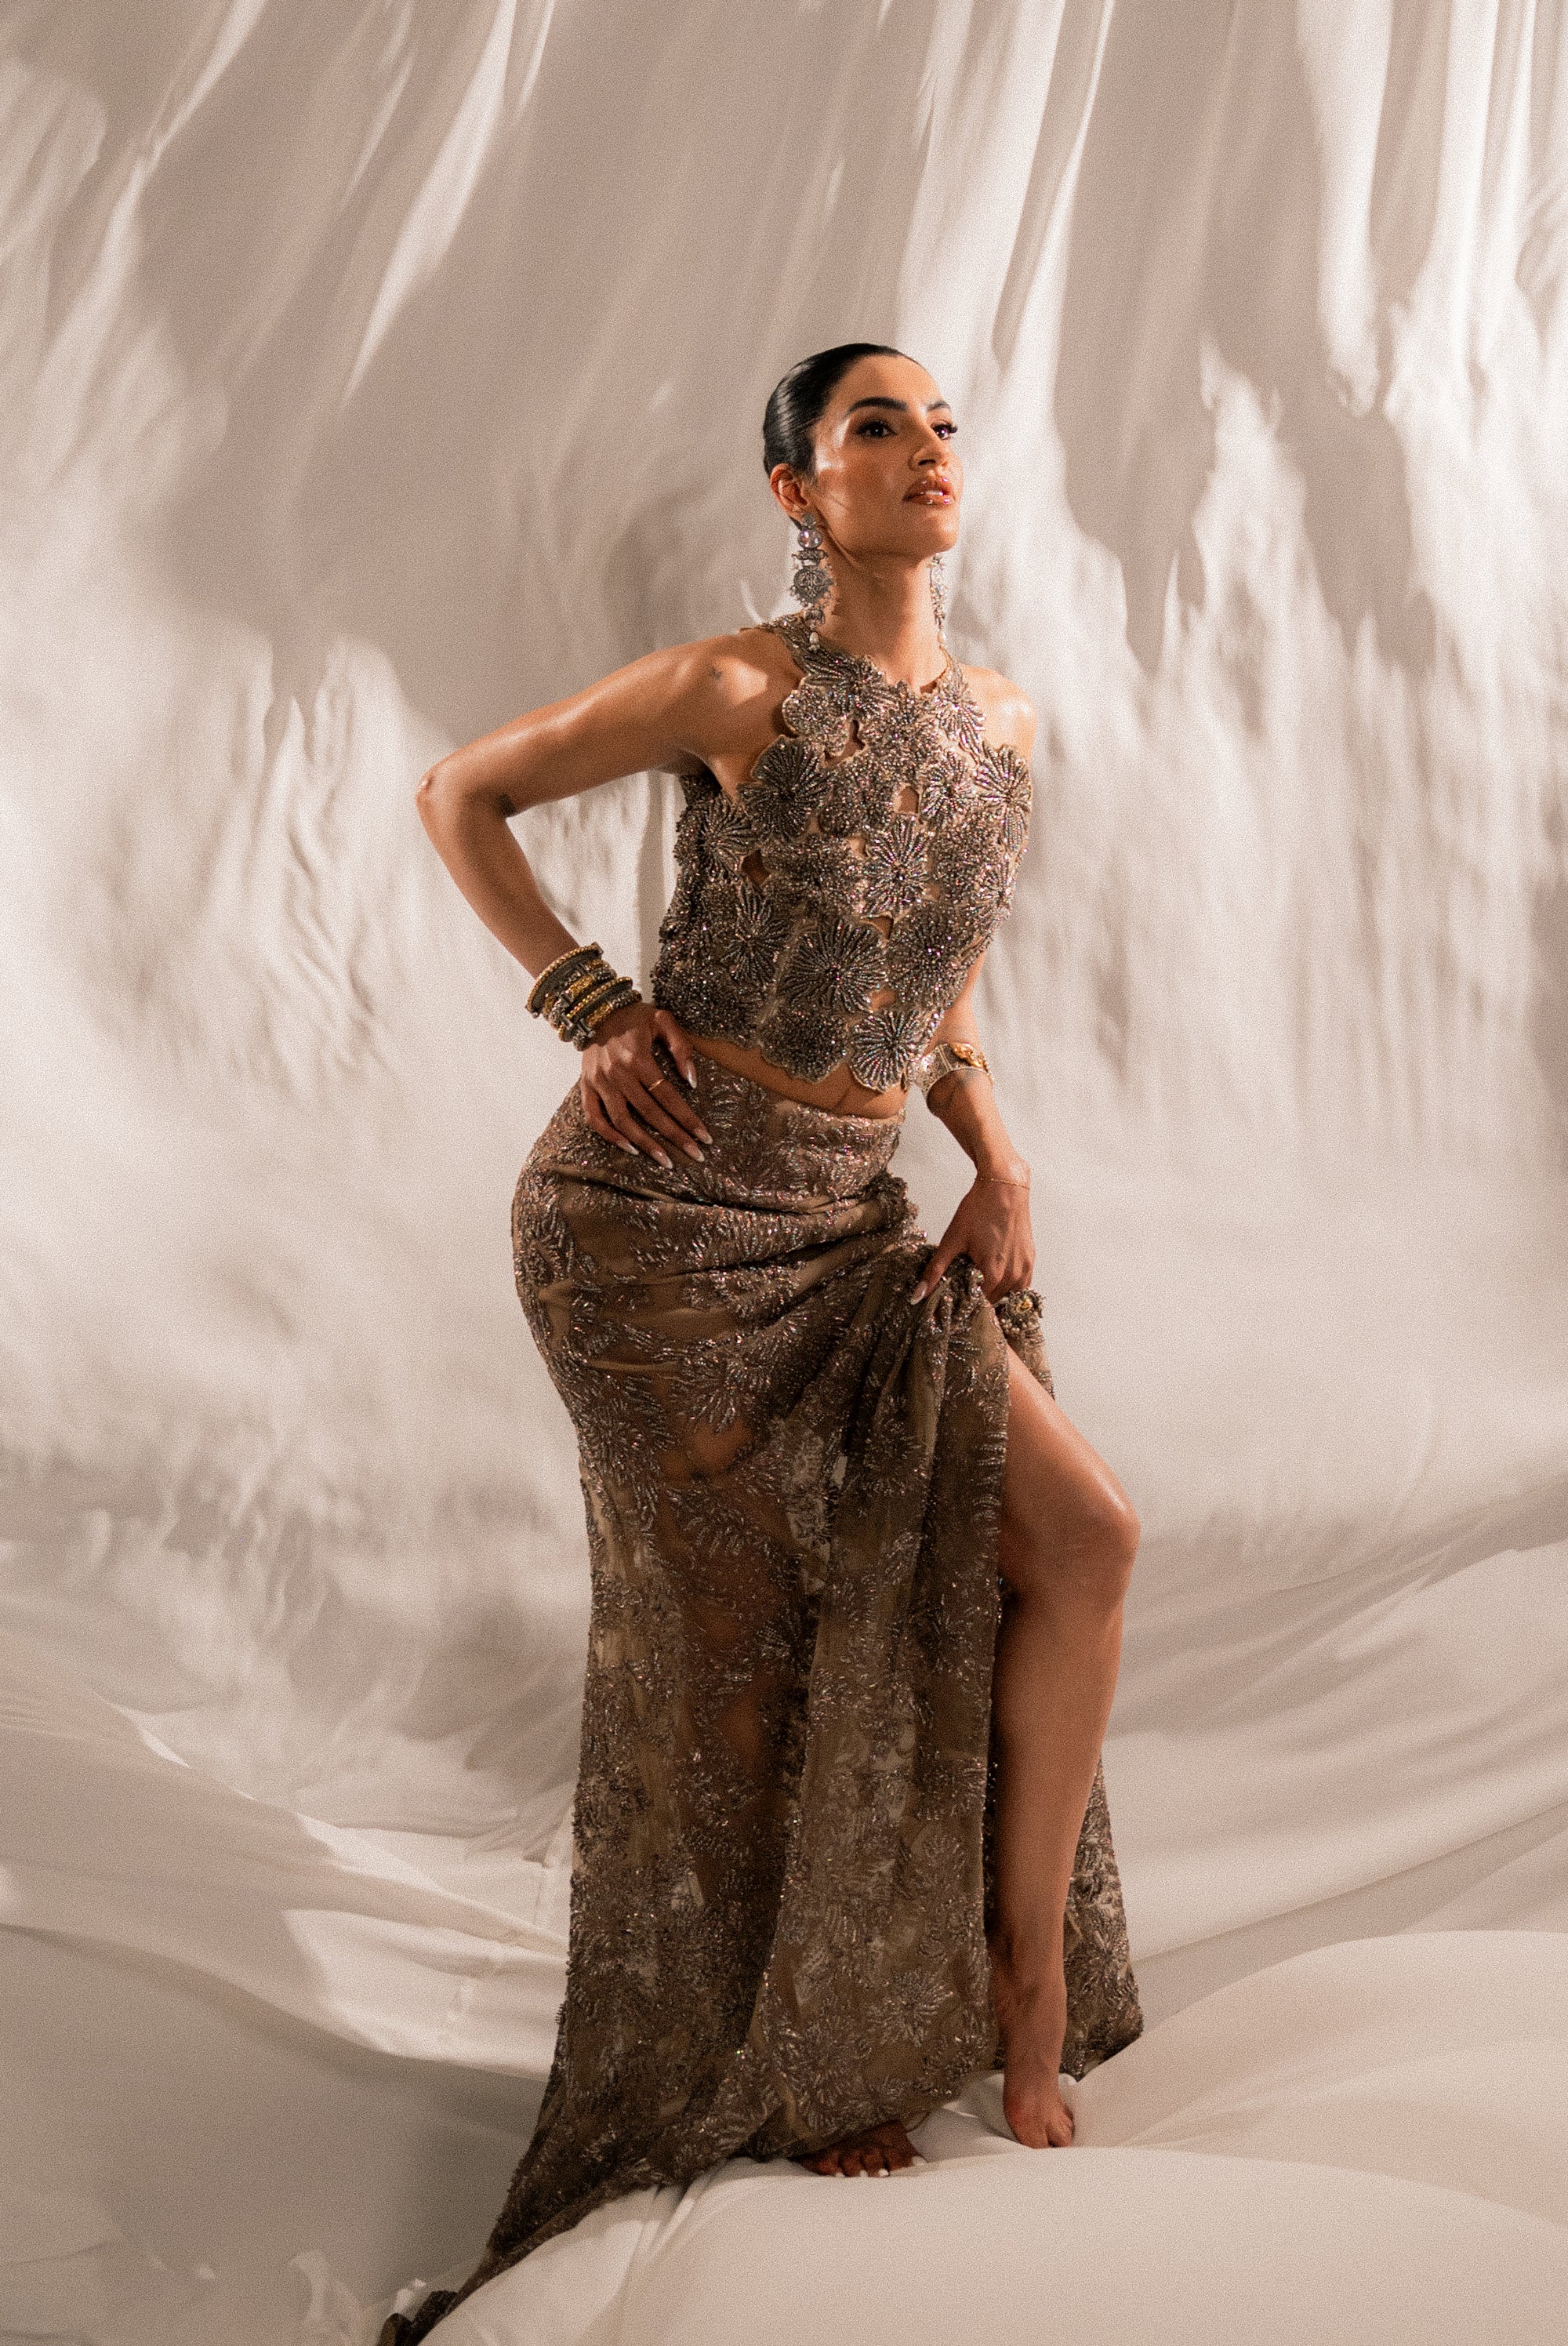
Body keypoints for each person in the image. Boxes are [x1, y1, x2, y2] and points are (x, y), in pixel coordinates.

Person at [379, 343, 1142, 2344]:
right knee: (738, 1652)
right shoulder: (739, 685)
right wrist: (586, 1000)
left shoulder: (998, 719)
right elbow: (462, 790)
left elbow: (932, 974)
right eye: (874, 425)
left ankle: (1023, 1981)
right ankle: (795, 2060)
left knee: (1082, 1538)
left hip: (846, 1216)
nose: (924, 448)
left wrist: (1001, 1162)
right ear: (800, 491)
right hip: (649, 1230)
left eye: (941, 422)